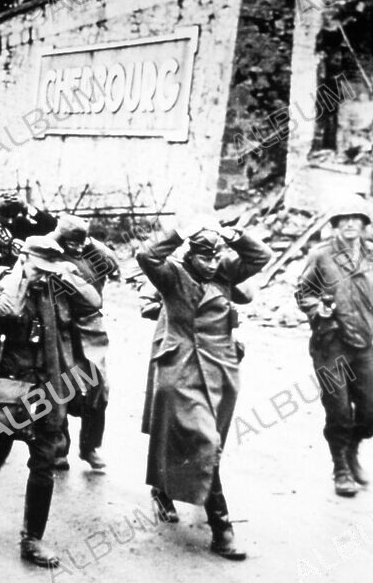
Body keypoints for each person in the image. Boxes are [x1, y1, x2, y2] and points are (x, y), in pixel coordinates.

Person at [0, 242, 102, 567]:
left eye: (48, 268)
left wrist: (63, 273)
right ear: (23, 261)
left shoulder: (58, 287)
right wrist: (21, 276)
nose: (42, 276)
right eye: (38, 267)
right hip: (8, 393)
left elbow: (93, 301)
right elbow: (3, 311)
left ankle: (31, 539)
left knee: (44, 463)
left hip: (49, 391)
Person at [138, 219, 271, 560]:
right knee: (205, 442)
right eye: (204, 257)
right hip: (182, 368)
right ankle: (222, 528)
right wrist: (180, 230)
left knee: (211, 443)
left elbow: (261, 256)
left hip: (221, 368)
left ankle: (165, 486)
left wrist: (235, 235)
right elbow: (146, 255)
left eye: (216, 257)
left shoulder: (225, 272)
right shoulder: (171, 276)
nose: (212, 264)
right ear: (190, 254)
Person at [22, 214, 119, 470]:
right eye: (71, 240)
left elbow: (111, 263)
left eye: (80, 240)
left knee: (99, 386)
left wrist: (89, 240)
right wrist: (56, 238)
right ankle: (58, 446)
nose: (76, 245)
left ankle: (89, 447)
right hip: (59, 329)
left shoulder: (91, 256)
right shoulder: (50, 254)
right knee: (58, 388)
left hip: (90, 329)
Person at [296, 196, 373, 497]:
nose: (351, 223)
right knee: (339, 411)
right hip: (332, 345)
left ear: (365, 225)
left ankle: (352, 450)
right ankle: (340, 466)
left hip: (367, 344)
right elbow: (303, 292)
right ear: (336, 224)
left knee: (370, 413)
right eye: (344, 219)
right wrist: (318, 309)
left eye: (357, 218)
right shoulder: (322, 255)